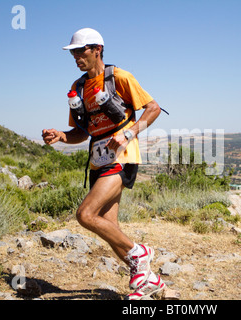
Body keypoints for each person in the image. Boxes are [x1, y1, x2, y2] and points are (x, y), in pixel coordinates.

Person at [42, 28, 165, 300]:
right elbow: (82, 131)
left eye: (80, 50)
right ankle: (151, 282)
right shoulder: (78, 88)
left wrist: (129, 133)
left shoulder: (119, 77)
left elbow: (153, 108)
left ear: (97, 48)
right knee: (111, 230)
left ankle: (140, 253)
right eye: (73, 52)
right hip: (98, 161)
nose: (76, 56)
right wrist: (61, 135)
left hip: (123, 156)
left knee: (85, 215)